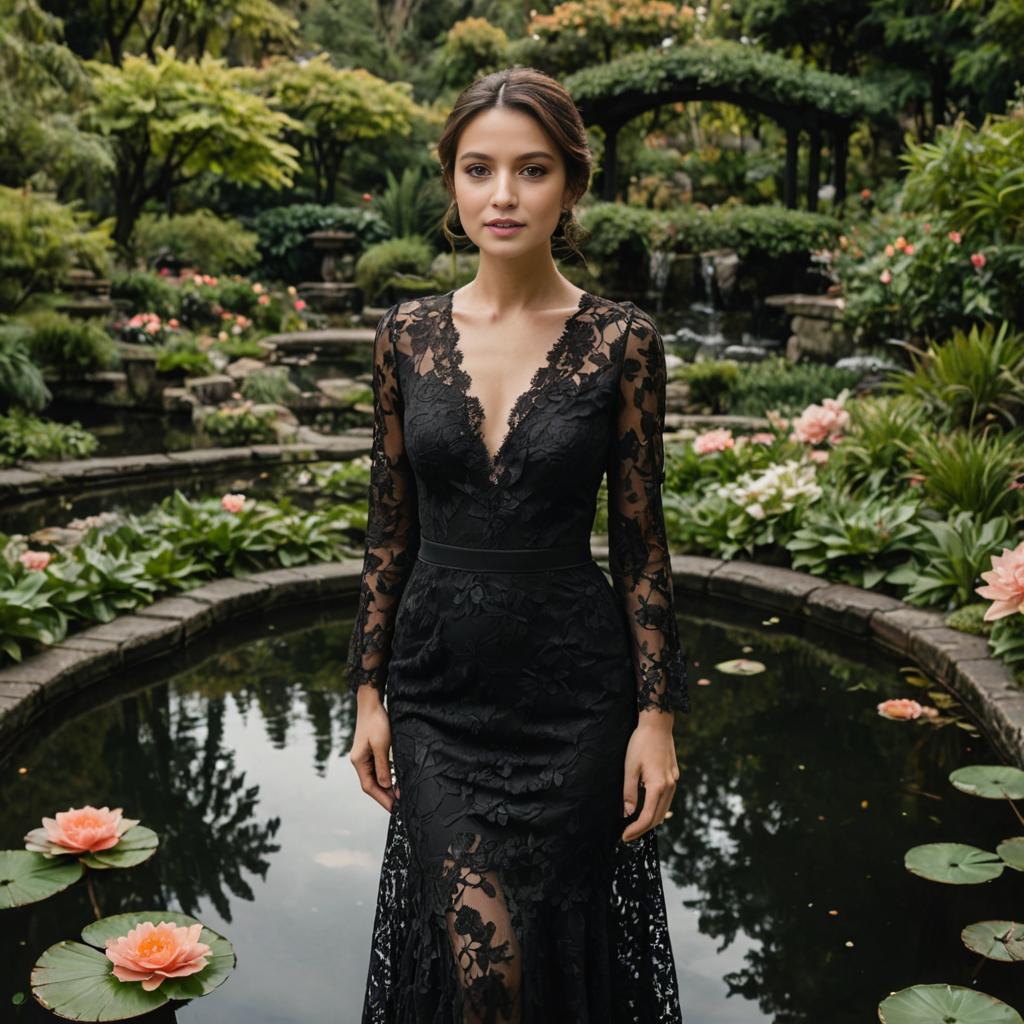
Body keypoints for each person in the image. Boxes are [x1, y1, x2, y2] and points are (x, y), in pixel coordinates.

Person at [346, 65, 691, 1024]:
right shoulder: (404, 337)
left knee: (548, 944)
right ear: (452, 185)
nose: (504, 195)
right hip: (439, 692)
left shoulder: (623, 340)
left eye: (532, 170)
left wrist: (656, 717)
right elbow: (388, 529)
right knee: (481, 961)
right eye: (479, 169)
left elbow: (639, 543)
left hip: (574, 693)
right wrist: (369, 692)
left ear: (572, 185)